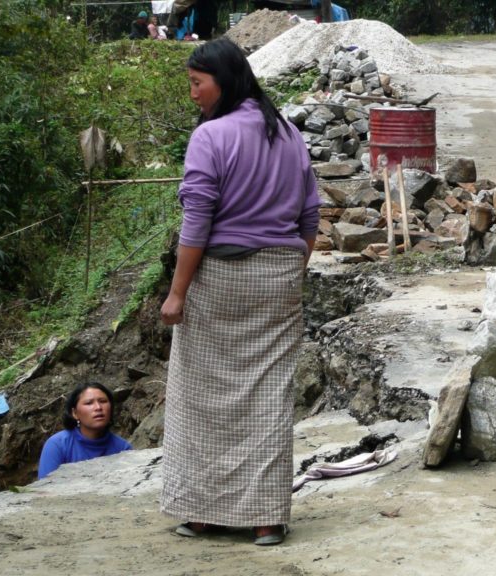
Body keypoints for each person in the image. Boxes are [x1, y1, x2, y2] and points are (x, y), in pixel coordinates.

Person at [160, 38, 320, 546]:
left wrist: (177, 293)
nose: (192, 94)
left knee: (200, 398)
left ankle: (203, 512)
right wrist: (293, 270)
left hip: (219, 283)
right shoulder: (290, 135)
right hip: (279, 280)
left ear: (222, 83)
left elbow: (197, 220)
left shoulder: (211, 136)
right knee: (269, 399)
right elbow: (310, 218)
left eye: (196, 83)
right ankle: (268, 518)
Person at [38, 382, 132, 479]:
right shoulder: (58, 445)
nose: (98, 408)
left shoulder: (123, 448)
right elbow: (46, 490)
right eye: (89, 403)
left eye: (103, 401)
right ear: (75, 413)